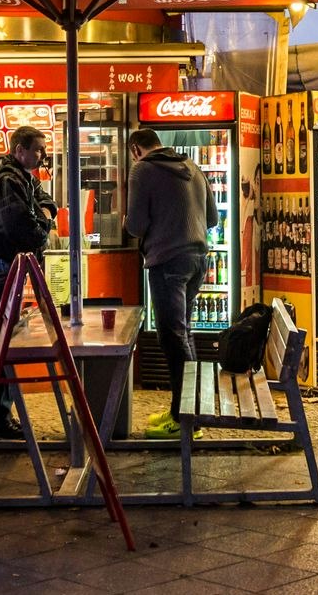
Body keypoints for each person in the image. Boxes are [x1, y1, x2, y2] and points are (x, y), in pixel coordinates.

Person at [125, 128, 217, 438]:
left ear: (136, 149)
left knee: (171, 337)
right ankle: (184, 410)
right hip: (197, 260)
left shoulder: (143, 169)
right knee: (183, 332)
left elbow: (135, 226)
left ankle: (185, 419)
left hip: (167, 261)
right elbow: (214, 218)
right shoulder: (191, 165)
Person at [0, 127, 56, 437]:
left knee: (3, 342)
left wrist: (44, 210)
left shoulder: (18, 175)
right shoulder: (9, 180)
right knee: (2, 344)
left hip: (5, 265)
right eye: (37, 150)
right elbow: (18, 226)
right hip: (1, 268)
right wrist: (45, 226)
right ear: (20, 150)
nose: (42, 155)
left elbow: (45, 199)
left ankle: (0, 416)